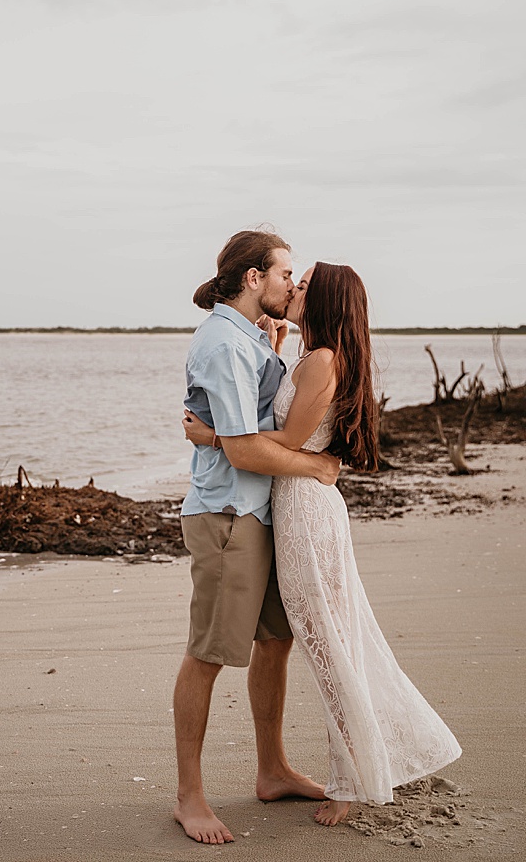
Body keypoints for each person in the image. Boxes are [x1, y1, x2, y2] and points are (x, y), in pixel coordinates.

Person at [183, 262, 461, 827]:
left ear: (325, 301)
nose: (295, 287)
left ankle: (353, 778)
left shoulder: (324, 361)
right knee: (316, 639)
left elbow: (285, 439)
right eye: (293, 276)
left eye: (303, 283)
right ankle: (295, 770)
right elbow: (292, 426)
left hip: (306, 513)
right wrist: (273, 347)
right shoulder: (308, 355)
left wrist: (212, 435)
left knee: (329, 644)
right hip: (289, 508)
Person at [172, 229, 342, 845]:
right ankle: (189, 796)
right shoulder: (221, 341)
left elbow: (268, 413)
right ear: (252, 278)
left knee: (275, 641)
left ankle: (271, 770)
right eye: (284, 273)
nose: (292, 284)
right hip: (226, 514)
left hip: (263, 514)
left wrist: (278, 343)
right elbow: (243, 448)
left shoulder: (251, 336)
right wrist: (319, 468)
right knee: (210, 652)